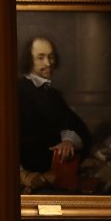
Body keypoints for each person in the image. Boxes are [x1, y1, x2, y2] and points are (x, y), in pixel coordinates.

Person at [18, 36, 91, 192]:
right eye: (40, 57)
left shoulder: (54, 95)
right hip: (31, 180)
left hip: (56, 176)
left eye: (50, 57)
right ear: (28, 60)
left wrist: (68, 142)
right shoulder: (18, 91)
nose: (48, 63)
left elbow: (75, 126)